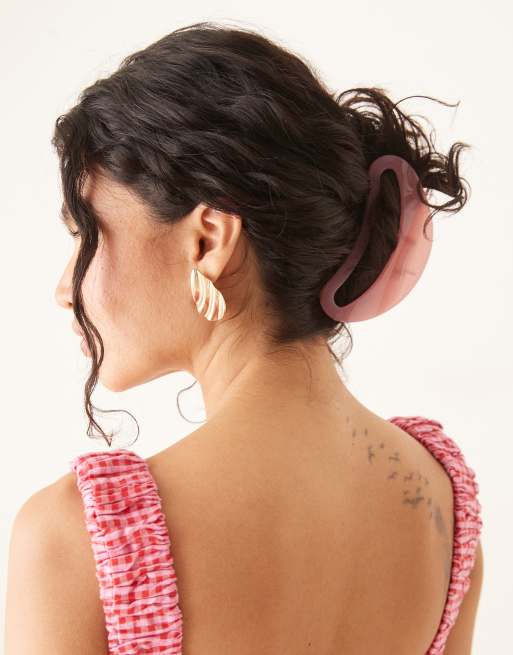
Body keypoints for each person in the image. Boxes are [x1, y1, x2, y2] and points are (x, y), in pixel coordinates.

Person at [4, 21, 483, 655]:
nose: (65, 288)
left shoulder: (79, 542)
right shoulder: (444, 505)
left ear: (208, 241)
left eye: (85, 234)